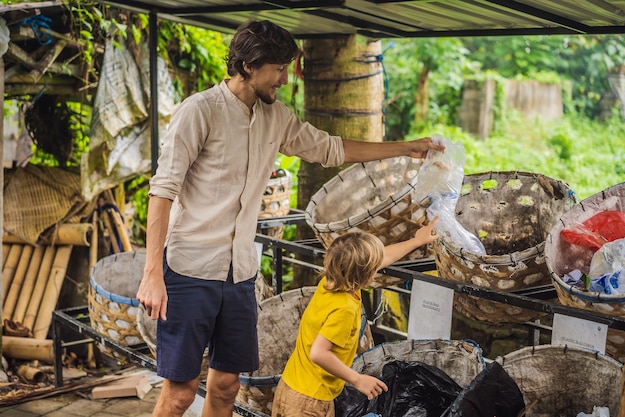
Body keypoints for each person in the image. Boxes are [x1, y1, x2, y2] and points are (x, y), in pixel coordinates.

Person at [136, 19, 444, 417]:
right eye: (278, 68)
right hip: (189, 268)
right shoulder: (200, 111)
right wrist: (151, 274)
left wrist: (407, 148)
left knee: (228, 387)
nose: (283, 78)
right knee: (180, 393)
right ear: (249, 65)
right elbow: (162, 192)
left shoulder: (275, 117)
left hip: (240, 273)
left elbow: (331, 149)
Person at [271, 220, 440, 417]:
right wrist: (357, 379)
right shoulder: (344, 309)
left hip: (291, 385)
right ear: (367, 274)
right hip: (310, 401)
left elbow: (383, 256)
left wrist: (417, 240)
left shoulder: (331, 281)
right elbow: (318, 353)